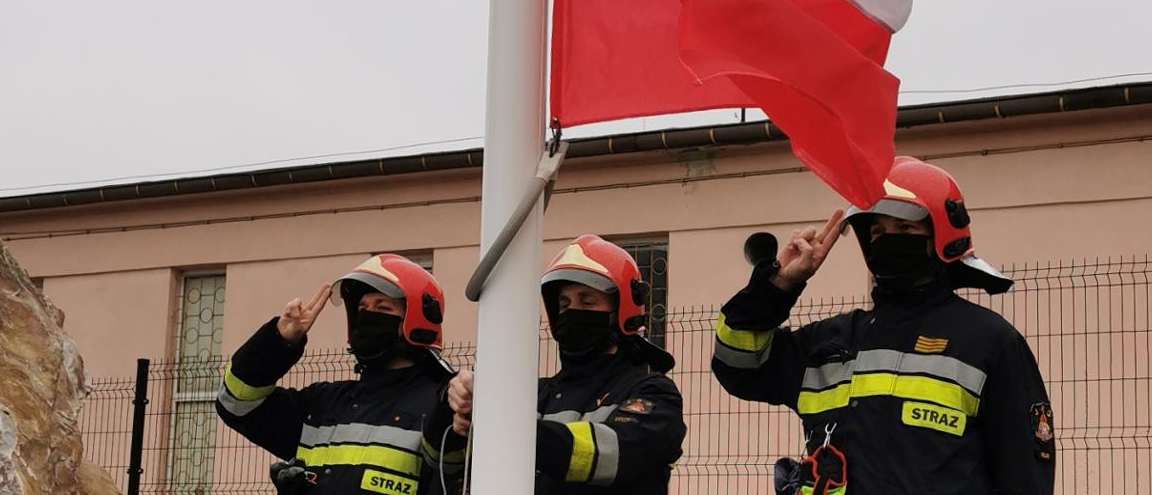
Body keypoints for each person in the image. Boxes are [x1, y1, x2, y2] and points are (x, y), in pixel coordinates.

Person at [712, 157, 1055, 494]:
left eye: (905, 228)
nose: (888, 240)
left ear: (941, 237)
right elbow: (739, 366)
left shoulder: (989, 341)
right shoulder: (829, 343)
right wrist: (777, 287)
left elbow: (1025, 477)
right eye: (877, 231)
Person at [443, 235, 687, 493]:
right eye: (564, 304)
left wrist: (502, 423)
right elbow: (451, 470)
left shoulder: (653, 393)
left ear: (621, 309)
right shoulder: (535, 394)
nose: (573, 311)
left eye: (587, 301)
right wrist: (458, 404)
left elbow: (608, 456)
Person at [216, 253, 461, 494]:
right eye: (362, 308)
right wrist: (278, 343)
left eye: (382, 308)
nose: (367, 315)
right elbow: (237, 404)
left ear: (416, 321)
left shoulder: (442, 408)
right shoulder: (323, 404)